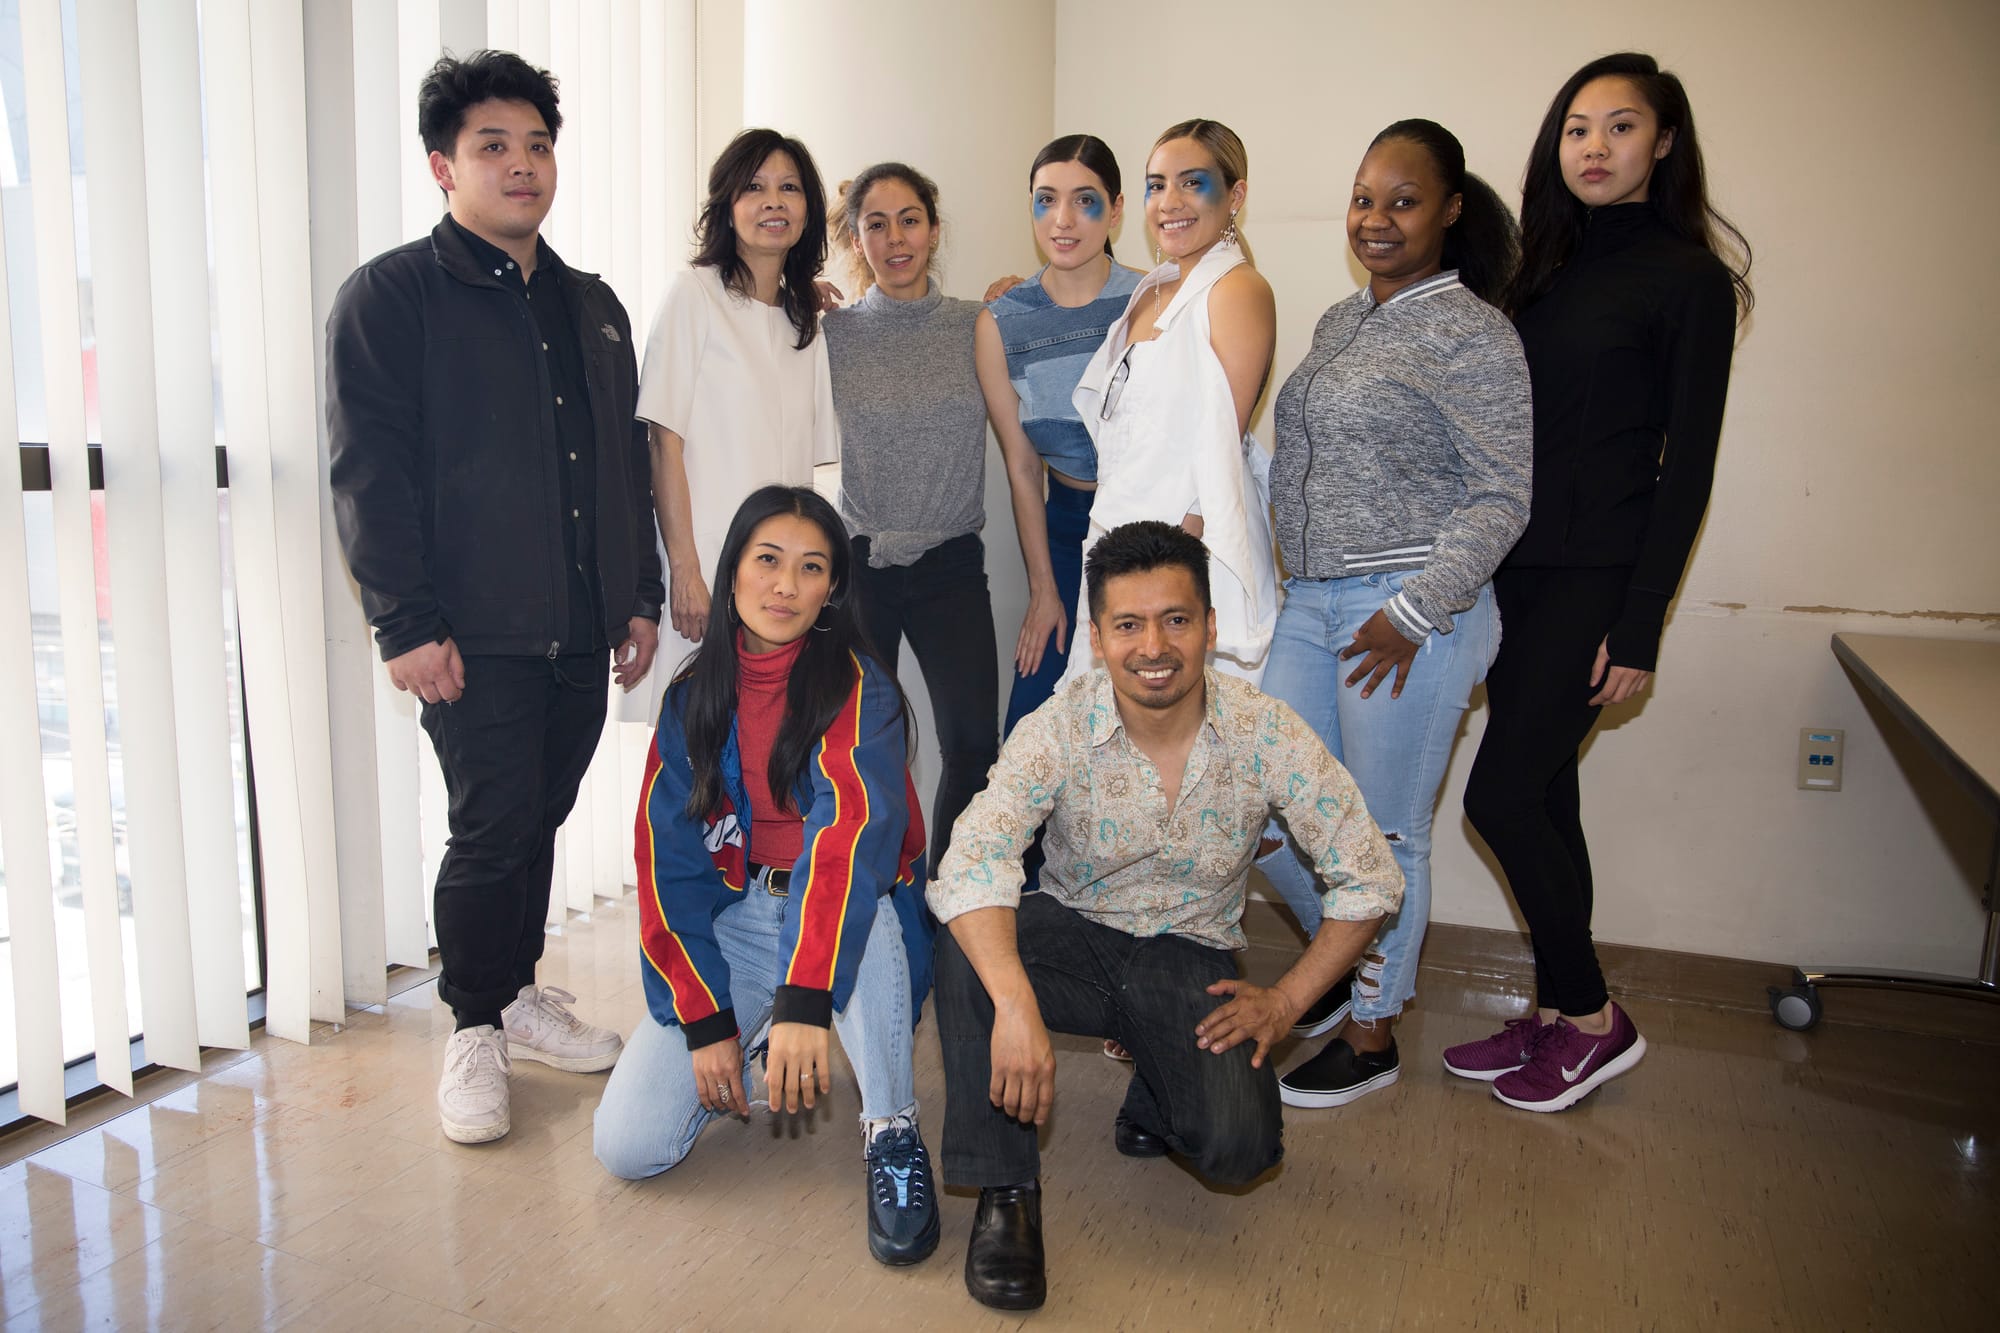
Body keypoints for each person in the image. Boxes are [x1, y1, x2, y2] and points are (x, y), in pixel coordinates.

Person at [929, 521, 1403, 1312]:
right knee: (967, 939)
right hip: (1074, 932)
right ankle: (1006, 1193)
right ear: (1098, 637)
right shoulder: (1059, 725)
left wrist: (1286, 1003)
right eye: (1128, 624)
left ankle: (1157, 1084)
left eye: (1176, 619)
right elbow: (973, 858)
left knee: (1239, 1148)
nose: (1154, 645)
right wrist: (1014, 1001)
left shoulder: (1265, 731)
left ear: (1210, 627)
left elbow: (1369, 876)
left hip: (1188, 952)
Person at [326, 50, 660, 1145]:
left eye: (537, 144)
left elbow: (621, 465)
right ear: (442, 166)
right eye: (492, 147)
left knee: (538, 816)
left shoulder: (589, 304)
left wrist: (636, 596)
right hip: (470, 631)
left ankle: (513, 994)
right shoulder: (392, 297)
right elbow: (368, 467)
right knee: (490, 824)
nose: (521, 166)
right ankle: (472, 1023)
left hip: (579, 625)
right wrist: (405, 622)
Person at [1451, 53, 1753, 1112]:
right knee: (1544, 795)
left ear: (1661, 143)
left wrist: (1639, 626)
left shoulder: (1688, 281)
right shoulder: (1542, 268)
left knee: (1495, 793)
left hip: (1597, 576)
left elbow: (1690, 469)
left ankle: (1590, 1016)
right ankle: (1549, 1012)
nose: (1593, 146)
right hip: (1515, 573)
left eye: (1618, 127)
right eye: (1576, 127)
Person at [1255, 120, 1532, 1109]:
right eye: (1364, 197)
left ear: (1449, 211)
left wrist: (1413, 610)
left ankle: (1370, 1031)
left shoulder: (1474, 332)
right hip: (1310, 598)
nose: (1374, 218)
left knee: (1379, 832)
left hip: (1408, 608)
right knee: (1266, 810)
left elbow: (1502, 495)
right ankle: (1334, 975)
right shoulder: (1340, 321)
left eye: (1401, 200)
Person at [593, 485, 940, 1267]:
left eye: (811, 568)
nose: (786, 585)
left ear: (830, 591)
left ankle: (891, 1127)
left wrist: (804, 998)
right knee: (629, 1145)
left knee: (870, 900)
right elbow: (666, 867)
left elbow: (849, 841)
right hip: (744, 918)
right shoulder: (691, 697)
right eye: (769, 561)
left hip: (852, 911)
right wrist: (708, 1018)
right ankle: (752, 1036)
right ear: (735, 571)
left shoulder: (859, 686)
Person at [823, 162, 996, 877]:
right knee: (864, 750)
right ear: (855, 239)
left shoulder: (975, 324)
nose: (895, 238)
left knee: (974, 745)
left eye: (910, 220)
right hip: (862, 568)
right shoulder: (830, 334)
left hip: (952, 565)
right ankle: (876, 905)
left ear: (933, 228)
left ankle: (947, 898)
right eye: (876, 223)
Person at [1062, 119, 1278, 686]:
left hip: (1188, 555)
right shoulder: (1151, 288)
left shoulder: (1237, 290)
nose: (1169, 202)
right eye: (1157, 185)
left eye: (1192, 183)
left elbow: (1218, 450)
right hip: (1114, 544)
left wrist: (1170, 573)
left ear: (1236, 195)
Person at [639, 128, 839, 680]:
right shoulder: (694, 296)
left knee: (772, 737)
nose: (774, 201)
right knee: (696, 738)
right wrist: (685, 569)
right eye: (755, 186)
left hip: (781, 587)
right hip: (705, 567)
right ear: (728, 207)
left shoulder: (806, 322)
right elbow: (663, 443)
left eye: (790, 188)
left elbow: (818, 473)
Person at [976, 135, 1143, 734]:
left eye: (1085, 201)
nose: (1063, 220)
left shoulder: (1152, 302)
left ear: (1117, 210)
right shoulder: (1003, 320)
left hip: (1149, 525)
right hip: (1067, 525)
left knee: (1142, 721)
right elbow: (1023, 470)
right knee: (1033, 727)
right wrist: (1044, 589)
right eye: (1046, 200)